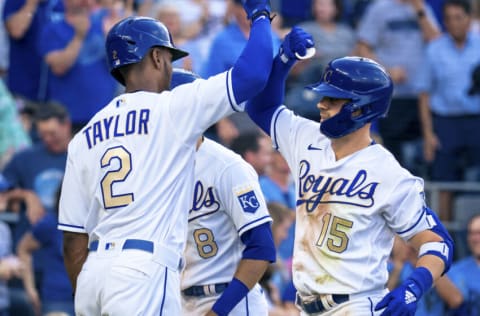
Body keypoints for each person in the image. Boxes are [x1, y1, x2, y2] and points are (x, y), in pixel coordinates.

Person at [57, 1, 275, 314]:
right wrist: (260, 16)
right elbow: (252, 75)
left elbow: (72, 241)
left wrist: (92, 291)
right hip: (143, 269)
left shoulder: (85, 135)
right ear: (157, 57)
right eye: (169, 59)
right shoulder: (172, 108)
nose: (171, 67)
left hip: (95, 273)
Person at [245, 26, 454, 315]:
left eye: (333, 99)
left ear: (360, 108)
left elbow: (438, 243)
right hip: (306, 305)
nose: (321, 104)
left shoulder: (388, 173)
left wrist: (413, 287)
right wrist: (283, 60)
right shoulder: (308, 138)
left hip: (356, 305)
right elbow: (261, 109)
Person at [170, 69, 275, 316]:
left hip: (230, 301)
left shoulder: (227, 167)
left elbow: (262, 248)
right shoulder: (157, 170)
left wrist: (219, 311)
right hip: (181, 302)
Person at [355, 0, 440, 175]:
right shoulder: (379, 9)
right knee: (394, 154)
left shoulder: (422, 8)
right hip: (393, 95)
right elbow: (362, 48)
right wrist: (386, 70)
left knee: (432, 151)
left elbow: (438, 43)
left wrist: (419, 10)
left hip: (423, 95)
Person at [417, 0, 480, 222]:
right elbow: (424, 94)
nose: (453, 23)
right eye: (448, 18)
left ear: (469, 19)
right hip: (445, 122)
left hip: (476, 120)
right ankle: (443, 241)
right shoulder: (435, 49)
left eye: (458, 17)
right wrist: (428, 135)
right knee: (443, 184)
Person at [448, 214, 480, 315]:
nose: (475, 239)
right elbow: (456, 302)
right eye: (471, 233)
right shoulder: (455, 270)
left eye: (479, 233)